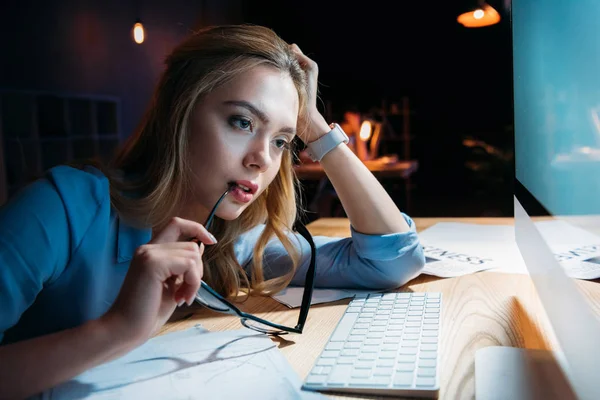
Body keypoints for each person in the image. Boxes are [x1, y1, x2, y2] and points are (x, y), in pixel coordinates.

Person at [0, 24, 425, 398]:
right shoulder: (58, 209)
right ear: (179, 114)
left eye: (281, 140)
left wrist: (313, 126)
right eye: (242, 122)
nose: (262, 158)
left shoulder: (232, 238)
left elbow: (391, 260)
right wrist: (118, 330)